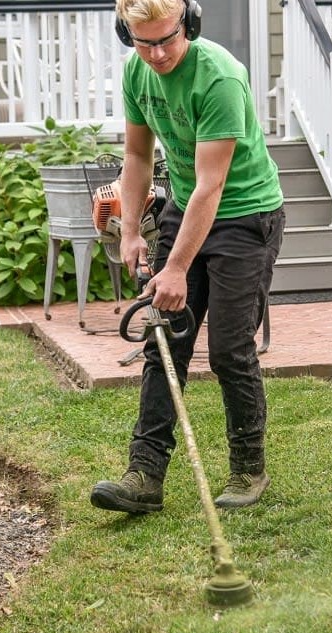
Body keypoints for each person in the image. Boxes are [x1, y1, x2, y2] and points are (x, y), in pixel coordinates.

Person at [90, 0, 286, 514]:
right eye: (142, 41)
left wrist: (176, 266)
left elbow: (212, 184)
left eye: (166, 40)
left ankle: (248, 468)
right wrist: (130, 230)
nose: (155, 54)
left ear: (190, 25)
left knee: (228, 348)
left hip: (244, 215)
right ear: (125, 33)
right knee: (165, 339)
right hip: (184, 205)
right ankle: (144, 476)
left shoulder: (219, 77)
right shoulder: (138, 70)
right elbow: (136, 155)